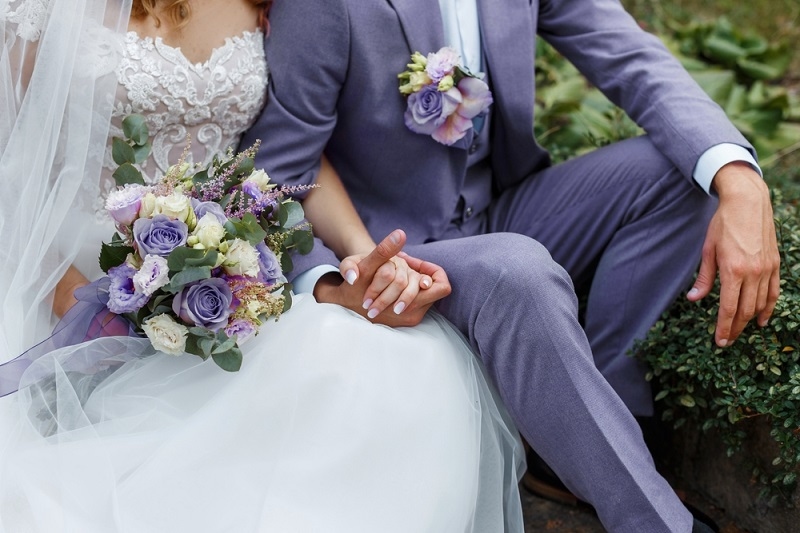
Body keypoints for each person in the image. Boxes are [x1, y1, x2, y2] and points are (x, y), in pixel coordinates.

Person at [241, 0, 781, 531]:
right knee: (514, 268)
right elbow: (278, 172)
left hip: (502, 209)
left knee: (685, 170)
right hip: (392, 252)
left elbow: (631, 57)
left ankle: (584, 427)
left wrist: (738, 175)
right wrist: (335, 281)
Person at [0, 1, 525, 531]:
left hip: (224, 275)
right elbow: (8, 160)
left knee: (388, 365)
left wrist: (360, 254)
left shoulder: (269, 4)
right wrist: (69, 296)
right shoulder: (43, 9)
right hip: (60, 265)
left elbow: (295, 157)